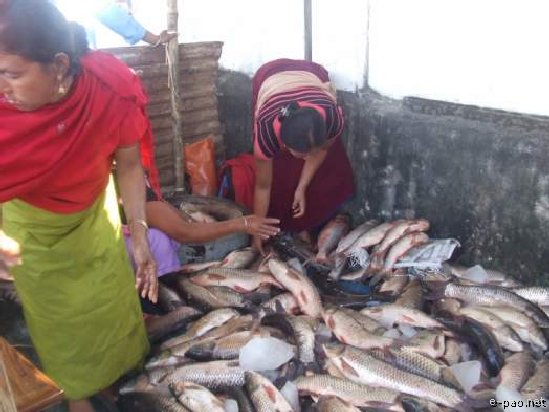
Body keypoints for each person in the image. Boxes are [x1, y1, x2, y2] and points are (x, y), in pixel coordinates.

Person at [0, 1, 159, 411]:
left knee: (111, 305)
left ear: (58, 65)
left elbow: (128, 164)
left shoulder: (109, 88)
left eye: (12, 74)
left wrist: (140, 234)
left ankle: (114, 377)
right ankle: (78, 392)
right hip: (32, 234)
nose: (3, 87)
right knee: (62, 326)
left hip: (95, 219)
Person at [251, 58, 356, 254]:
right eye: (301, 154)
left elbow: (322, 150)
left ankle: (314, 220)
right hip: (269, 76)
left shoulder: (332, 117)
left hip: (311, 74)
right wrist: (256, 233)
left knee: (326, 164)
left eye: (311, 152)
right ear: (284, 143)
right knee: (281, 171)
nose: (307, 158)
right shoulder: (265, 131)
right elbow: (263, 186)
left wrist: (302, 187)